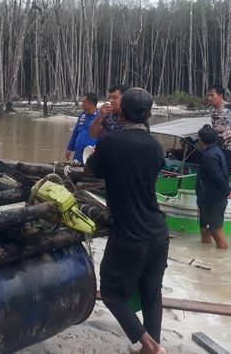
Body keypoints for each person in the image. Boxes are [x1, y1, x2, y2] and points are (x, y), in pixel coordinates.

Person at [85, 87, 168, 354]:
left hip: (129, 233)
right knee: (152, 293)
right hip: (157, 231)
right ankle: (151, 349)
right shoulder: (155, 146)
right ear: (149, 114)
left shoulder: (111, 141)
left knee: (111, 292)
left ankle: (150, 345)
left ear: (121, 111)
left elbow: (90, 171)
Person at [195, 125, 231, 250]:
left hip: (213, 200)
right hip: (207, 200)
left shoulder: (210, 155)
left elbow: (217, 176)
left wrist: (227, 191)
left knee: (217, 234)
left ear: (201, 139)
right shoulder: (214, 151)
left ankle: (221, 264)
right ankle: (207, 259)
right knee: (205, 230)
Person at [65, 92, 99, 165]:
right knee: (75, 171)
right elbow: (75, 132)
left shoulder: (100, 117)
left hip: (90, 154)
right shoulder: (82, 116)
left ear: (91, 103)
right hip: (78, 153)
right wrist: (69, 148)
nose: (81, 104)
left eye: (84, 102)